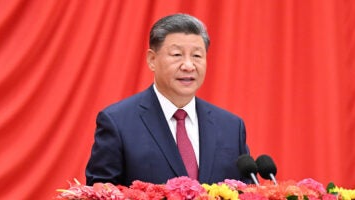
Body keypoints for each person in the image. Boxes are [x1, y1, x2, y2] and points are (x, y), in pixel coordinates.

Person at [85, 13, 250, 186]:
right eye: (177, 54)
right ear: (152, 60)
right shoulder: (117, 122)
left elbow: (248, 191)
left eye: (197, 56)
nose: (188, 65)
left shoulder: (231, 127)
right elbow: (100, 190)